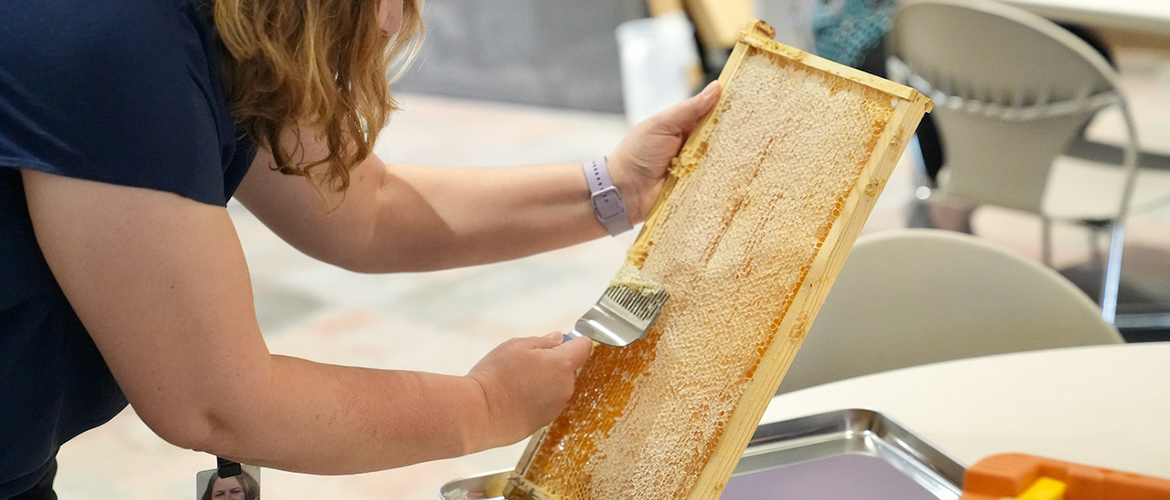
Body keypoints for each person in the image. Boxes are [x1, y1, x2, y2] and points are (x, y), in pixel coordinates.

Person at [0, 0, 721, 497]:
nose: (393, 22)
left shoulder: (235, 22)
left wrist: (618, 189)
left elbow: (361, 210)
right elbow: (216, 402)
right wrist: (483, 406)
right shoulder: (105, 34)